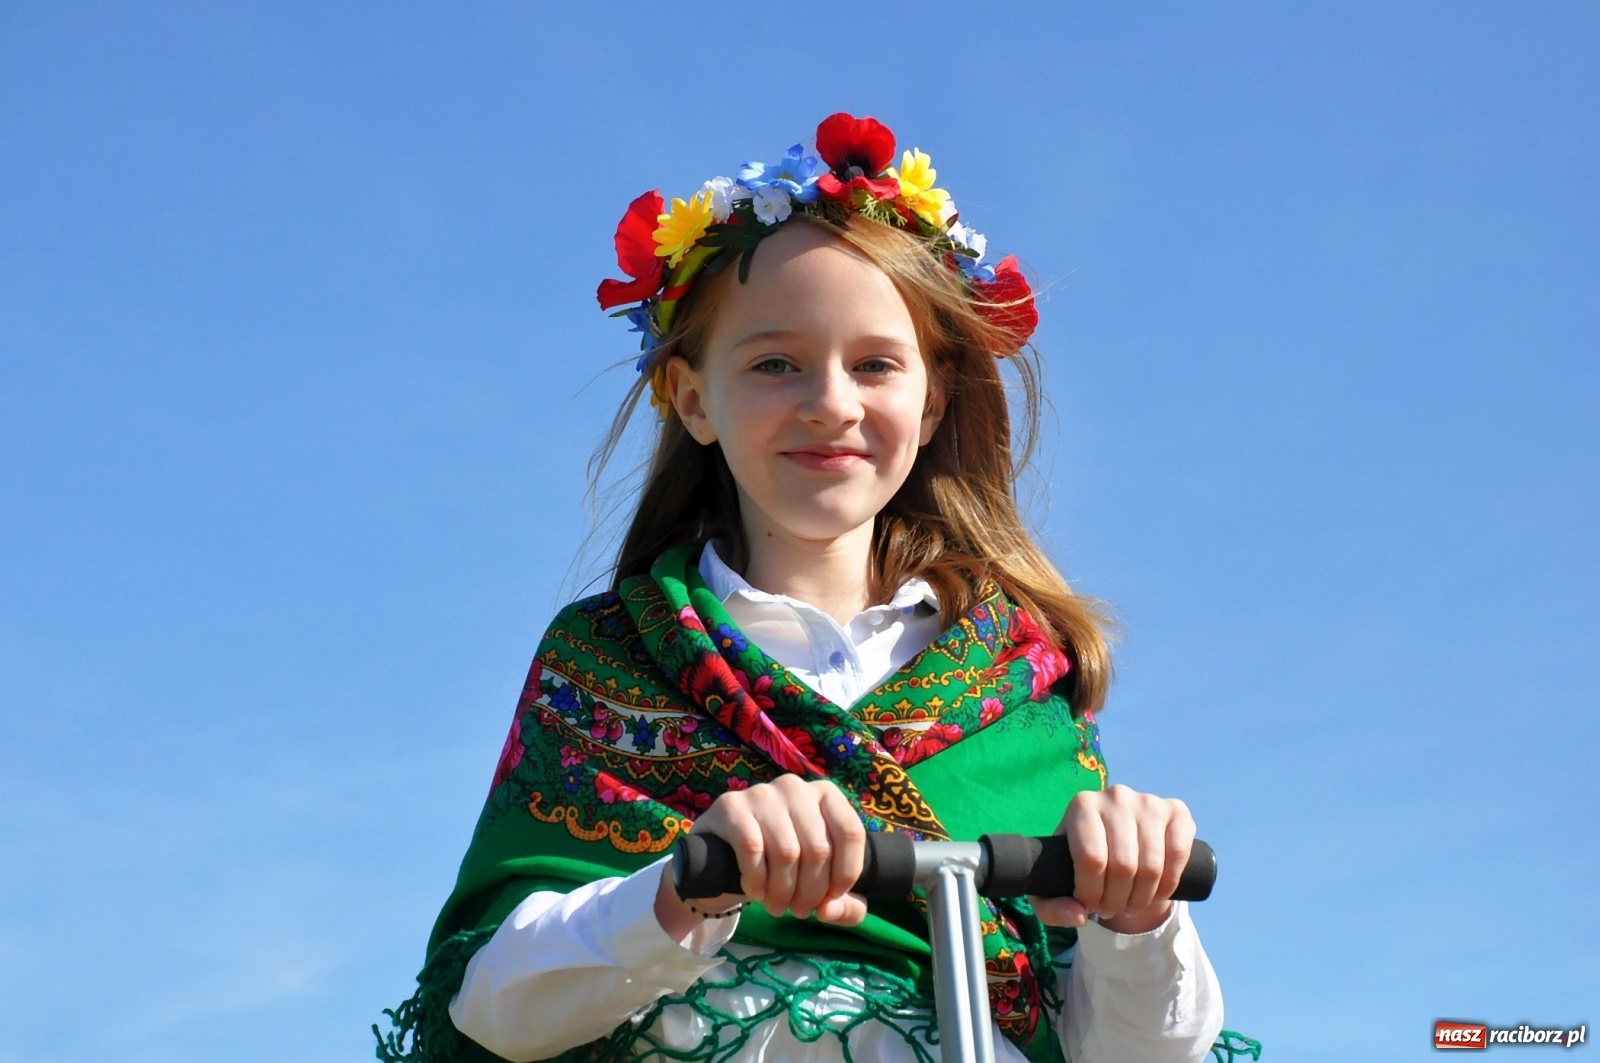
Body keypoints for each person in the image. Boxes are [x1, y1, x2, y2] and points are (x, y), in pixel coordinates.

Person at [376, 113, 1259, 1063]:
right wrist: (684, 888)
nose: (830, 401)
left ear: (932, 403)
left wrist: (1138, 915)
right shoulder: (607, 658)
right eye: (773, 364)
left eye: (875, 363)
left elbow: (1130, 1054)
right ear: (691, 398)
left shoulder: (1021, 696)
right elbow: (493, 1005)